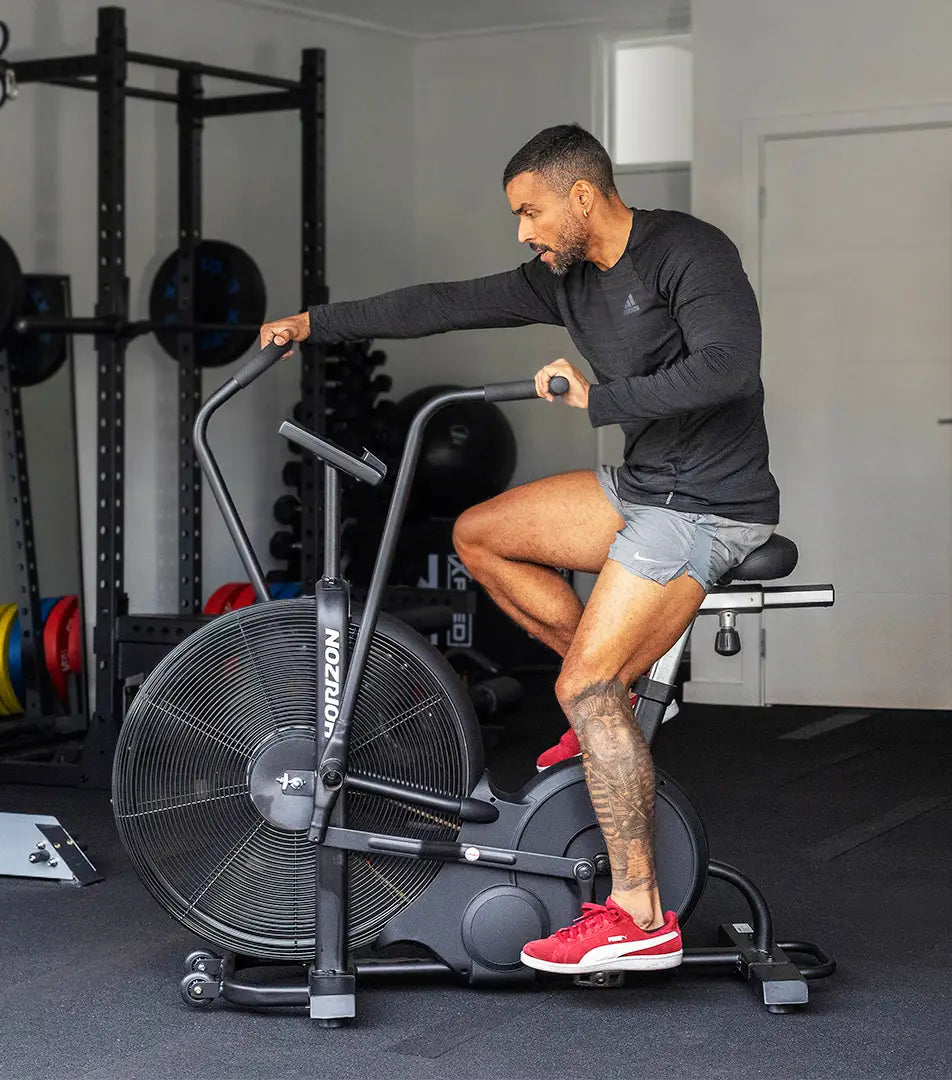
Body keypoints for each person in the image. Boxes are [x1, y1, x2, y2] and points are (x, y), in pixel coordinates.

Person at [259, 123, 778, 976]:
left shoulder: (689, 252)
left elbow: (729, 367)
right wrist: (316, 324)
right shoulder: (565, 280)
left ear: (582, 196)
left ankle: (639, 913)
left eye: (531, 211)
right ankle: (611, 695)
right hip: (644, 490)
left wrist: (600, 396)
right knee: (481, 534)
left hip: (710, 506)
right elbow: (443, 302)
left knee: (586, 686)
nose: (524, 231)